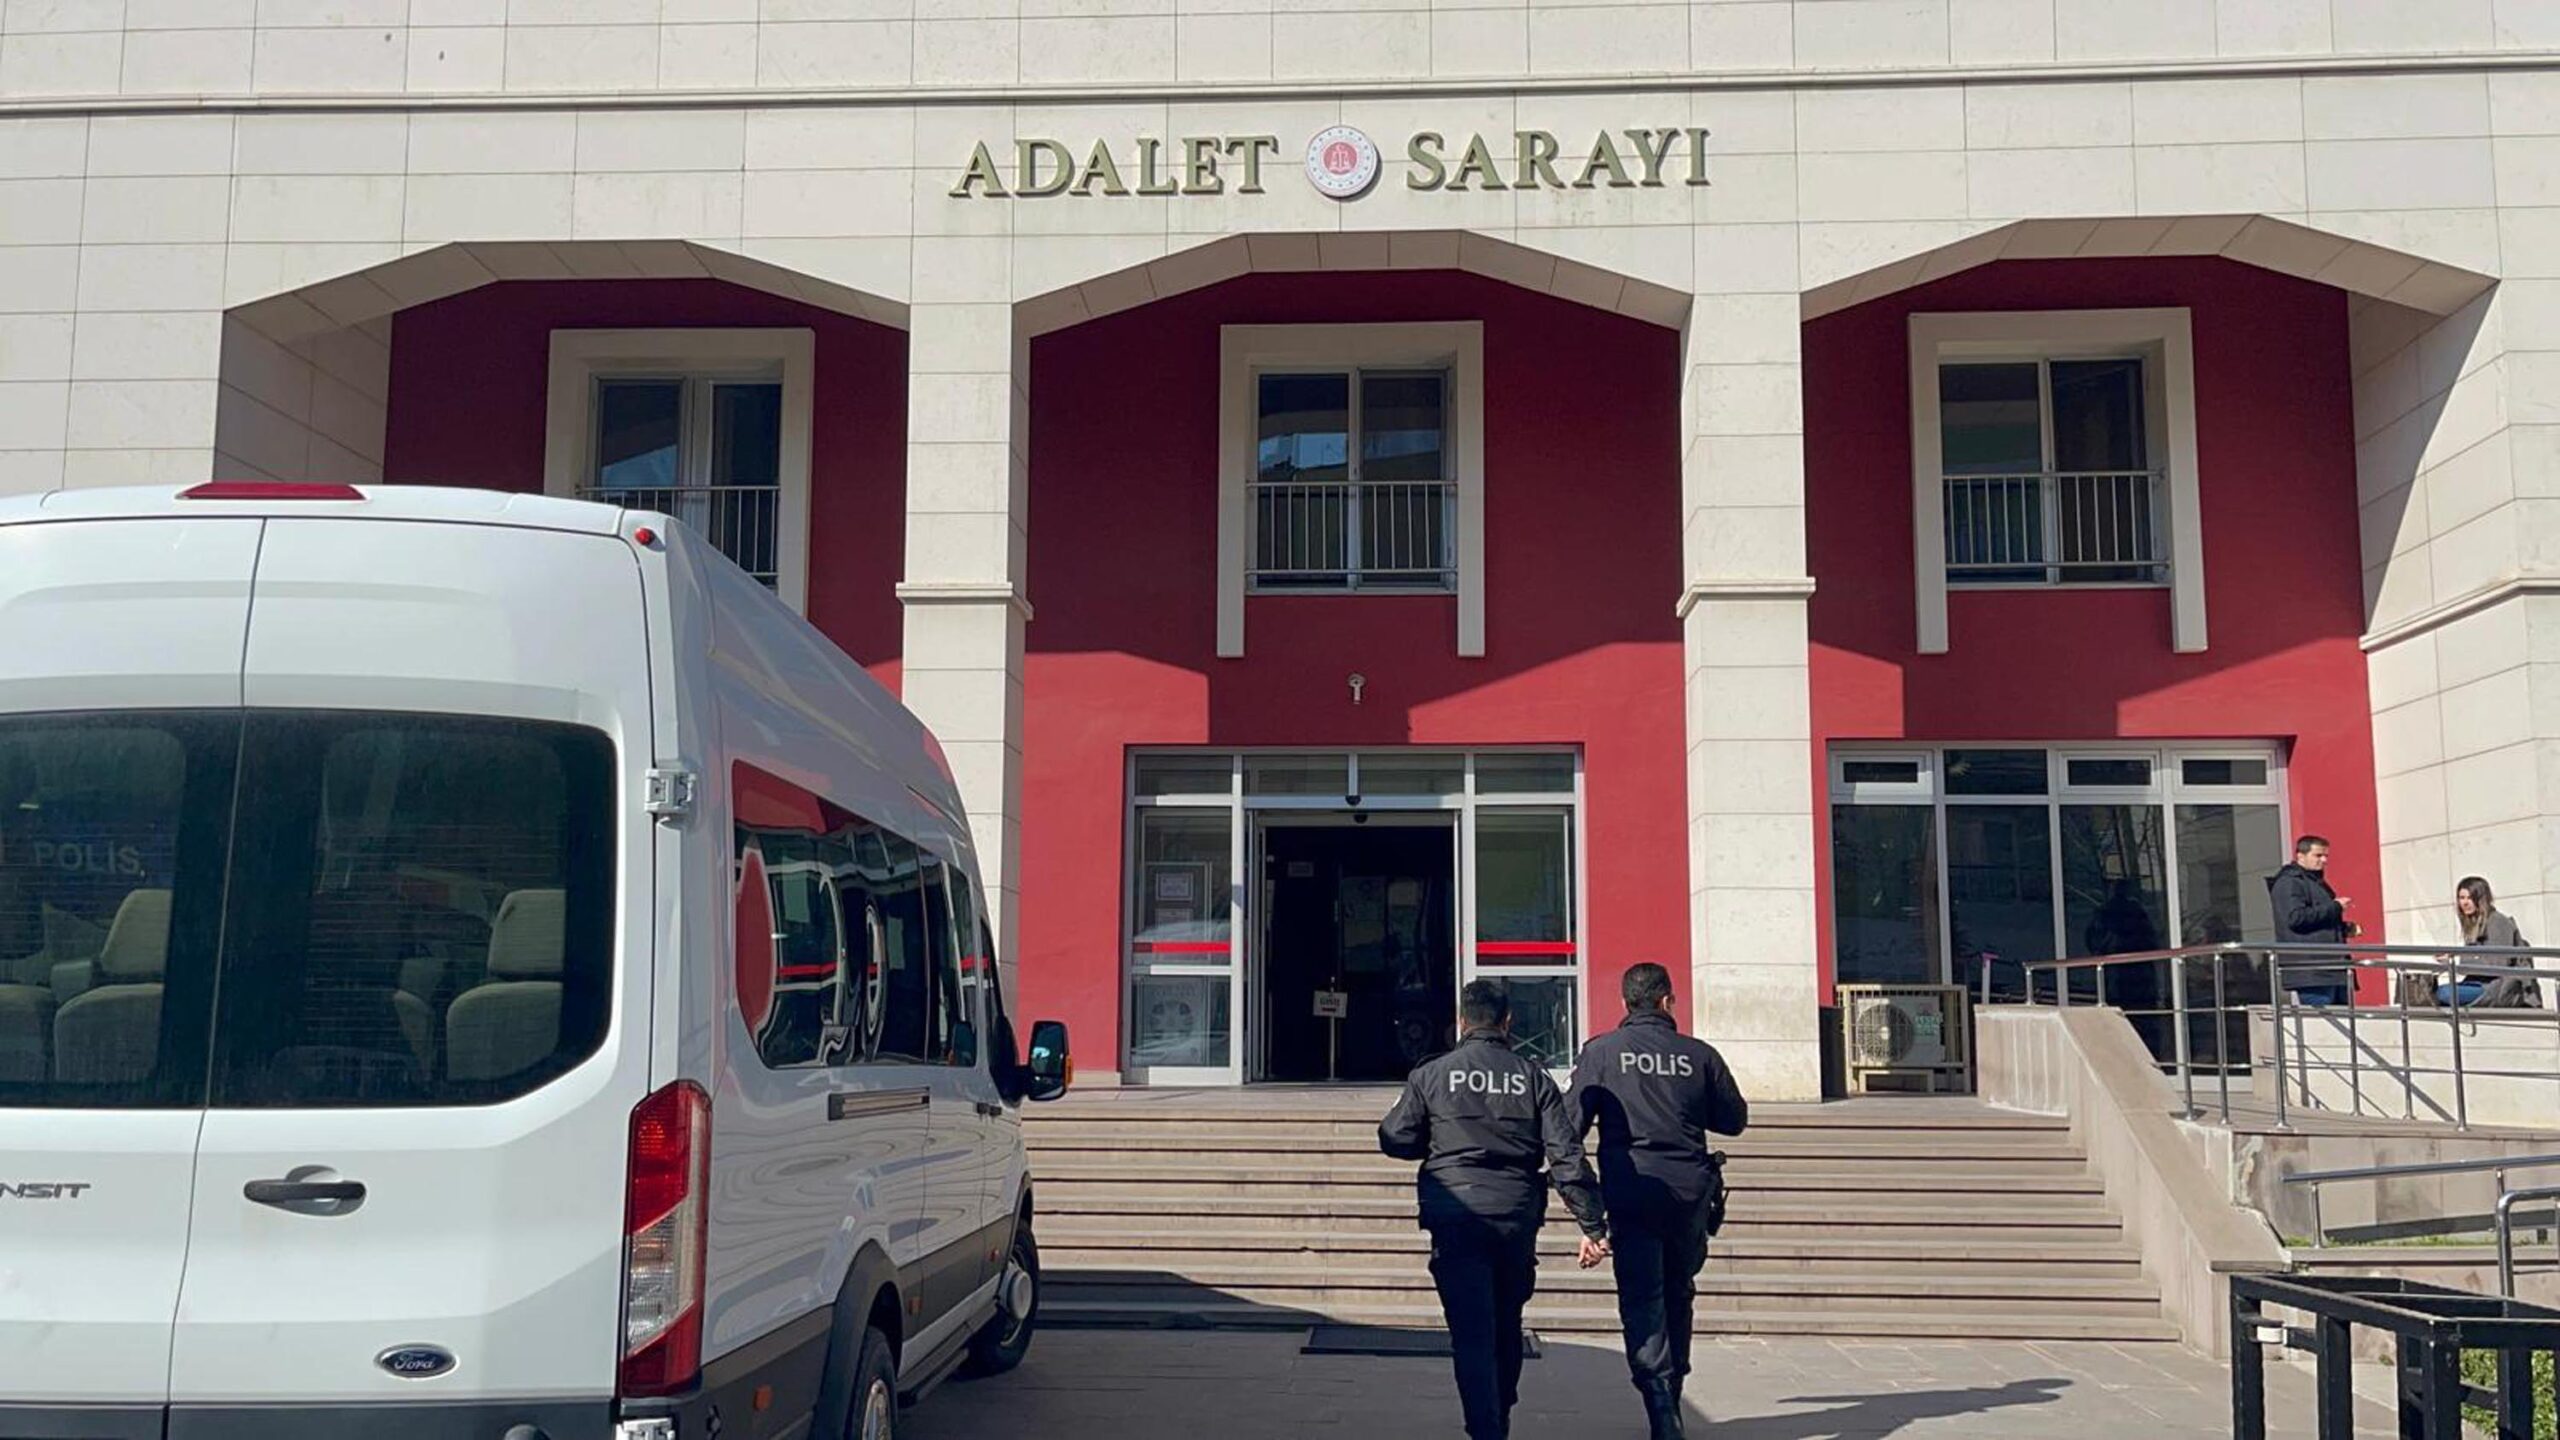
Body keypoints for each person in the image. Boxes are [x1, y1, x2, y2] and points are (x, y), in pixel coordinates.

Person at [1378, 979, 1607, 1440]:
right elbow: (1566, 1155)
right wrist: (1592, 1222)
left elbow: (1393, 1137)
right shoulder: (1533, 1077)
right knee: (1507, 1322)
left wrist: (1438, 1143)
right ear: (1507, 1022)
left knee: (1471, 1332)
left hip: (1455, 1212)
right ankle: (1498, 1413)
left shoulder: (1431, 1074)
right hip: (1515, 1213)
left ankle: (1486, 1427)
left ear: (1461, 1022)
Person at [1569, 963, 1749, 1440]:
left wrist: (1584, 1205)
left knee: (1642, 1298)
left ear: (1625, 1004)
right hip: (1689, 1195)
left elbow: (1571, 1127)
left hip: (1632, 1193)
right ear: (1668, 1002)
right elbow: (1734, 1120)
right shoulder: (1699, 1055)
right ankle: (1670, 1393)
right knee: (1678, 1292)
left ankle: (1661, 1404)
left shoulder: (1602, 1054)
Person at [2267, 834, 2358, 1005]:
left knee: (2346, 1024)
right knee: (2320, 1026)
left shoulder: (2315, 882)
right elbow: (2295, 918)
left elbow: (2314, 920)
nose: (2324, 860)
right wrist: (2335, 907)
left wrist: (2343, 928)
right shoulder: (2289, 882)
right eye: (2318, 855)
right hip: (2313, 971)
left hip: (2333, 968)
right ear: (2300, 856)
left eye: (2326, 856)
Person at [2452, 877, 2544, 1009]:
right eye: (2461, 898)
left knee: (2445, 993)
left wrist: (2461, 957)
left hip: (2499, 987)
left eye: (2470, 898)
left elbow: (2498, 964)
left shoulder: (2497, 921)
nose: (2465, 903)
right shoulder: (2474, 925)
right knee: (2431, 993)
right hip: (2479, 983)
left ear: (2481, 899)